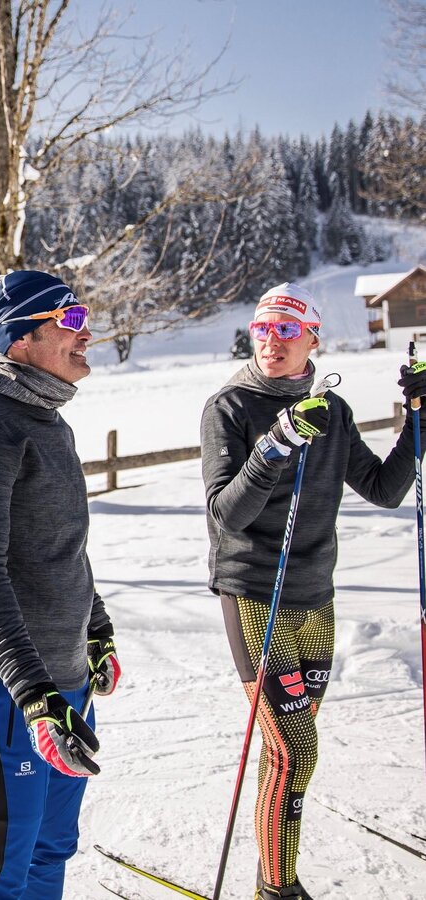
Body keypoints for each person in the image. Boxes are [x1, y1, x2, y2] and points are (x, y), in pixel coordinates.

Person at [200, 282, 426, 899]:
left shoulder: (332, 411)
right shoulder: (230, 407)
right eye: (262, 328)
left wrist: (417, 422)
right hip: (255, 592)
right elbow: (227, 515)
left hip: (314, 595)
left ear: (312, 340)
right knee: (296, 749)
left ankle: (270, 876)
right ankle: (279, 889)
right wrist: (276, 444)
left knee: (284, 751)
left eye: (286, 330)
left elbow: (383, 489)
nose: (271, 341)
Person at [0, 270, 122, 900]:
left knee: (50, 850)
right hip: (4, 686)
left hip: (65, 679)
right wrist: (34, 692)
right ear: (19, 339)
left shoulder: (47, 419)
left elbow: (60, 546)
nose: (86, 334)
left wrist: (96, 628)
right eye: (69, 321)